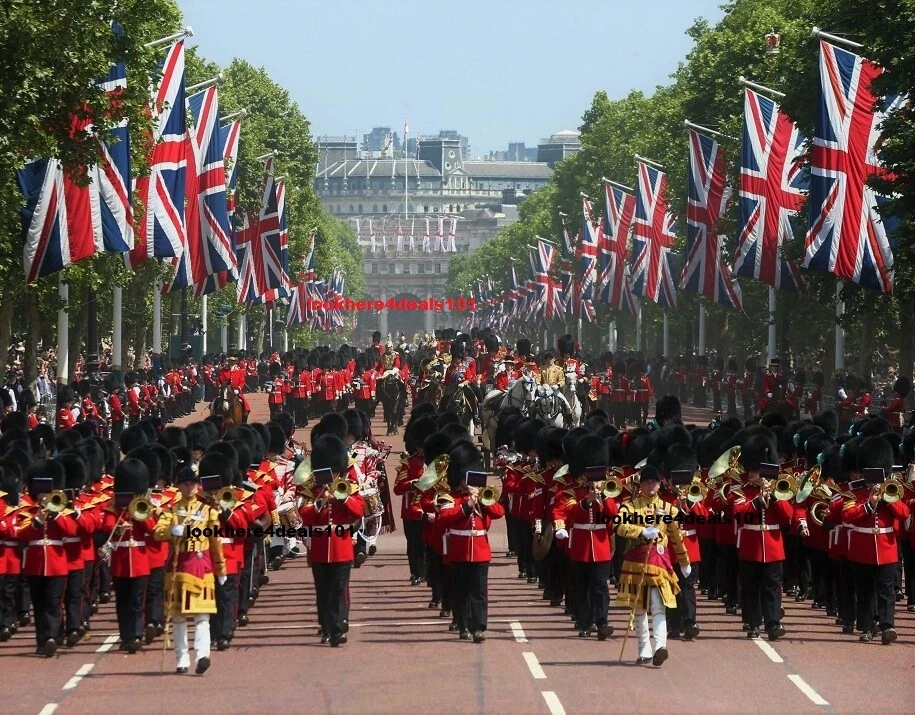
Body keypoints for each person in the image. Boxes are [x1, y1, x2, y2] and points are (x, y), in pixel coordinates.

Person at [153, 466, 227, 674]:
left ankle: (203, 655)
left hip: (201, 565)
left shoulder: (208, 512)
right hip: (178, 565)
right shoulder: (172, 511)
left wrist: (221, 568)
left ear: (197, 486)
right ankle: (182, 657)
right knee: (178, 617)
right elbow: (157, 532)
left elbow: (215, 541)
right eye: (185, 484)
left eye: (192, 484)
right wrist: (171, 531)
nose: (189, 487)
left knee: (202, 616)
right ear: (179, 486)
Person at [615, 465, 689, 666]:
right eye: (647, 482)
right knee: (638, 608)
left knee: (658, 606)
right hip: (636, 562)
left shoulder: (669, 509)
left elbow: (676, 537)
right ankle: (644, 648)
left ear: (659, 485)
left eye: (654, 482)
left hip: (658, 562)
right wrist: (641, 531)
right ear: (640, 485)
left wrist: (684, 561)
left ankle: (660, 647)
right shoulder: (630, 506)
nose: (650, 486)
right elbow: (620, 526)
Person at [298, 435, 364, 646]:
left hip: (341, 546)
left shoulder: (347, 488)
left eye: (334, 471)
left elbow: (359, 510)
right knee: (323, 591)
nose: (332, 475)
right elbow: (304, 515)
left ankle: (338, 628)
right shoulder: (312, 491)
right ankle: (326, 628)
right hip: (319, 547)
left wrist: (342, 498)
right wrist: (321, 500)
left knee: (338, 589)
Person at [436, 441, 505, 642]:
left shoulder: (483, 496)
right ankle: (463, 626)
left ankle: (478, 627)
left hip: (481, 550)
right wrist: (467, 506)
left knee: (479, 592)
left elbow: (499, 512)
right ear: (459, 479)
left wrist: (483, 500)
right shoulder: (451, 497)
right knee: (461, 591)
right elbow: (444, 518)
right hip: (459, 549)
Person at [553, 434, 619, 639]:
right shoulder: (570, 492)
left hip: (601, 545)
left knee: (600, 586)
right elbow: (566, 513)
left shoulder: (607, 492)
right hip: (580, 544)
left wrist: (603, 498)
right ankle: (584, 622)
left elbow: (614, 517)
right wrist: (587, 501)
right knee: (582, 587)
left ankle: (601, 622)